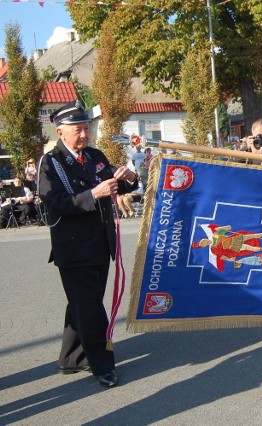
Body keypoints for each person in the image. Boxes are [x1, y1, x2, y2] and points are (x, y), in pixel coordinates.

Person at [38, 100, 138, 388]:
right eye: (78, 130)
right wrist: (93, 194)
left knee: (82, 303)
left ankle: (71, 357)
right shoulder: (51, 163)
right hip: (72, 248)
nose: (84, 135)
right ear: (61, 132)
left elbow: (113, 184)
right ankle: (102, 365)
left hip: (99, 243)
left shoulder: (95, 155)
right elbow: (54, 203)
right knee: (91, 307)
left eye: (86, 128)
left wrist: (128, 179)